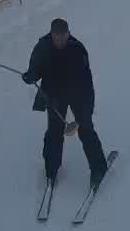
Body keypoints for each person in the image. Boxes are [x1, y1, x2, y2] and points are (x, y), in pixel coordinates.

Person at [22, 18, 109, 186]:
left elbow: (87, 83)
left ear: (68, 33)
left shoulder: (77, 49)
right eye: (57, 38)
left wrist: (87, 109)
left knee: (85, 128)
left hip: (77, 92)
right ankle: (51, 170)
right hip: (54, 94)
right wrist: (30, 76)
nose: (61, 41)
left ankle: (99, 168)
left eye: (64, 37)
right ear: (52, 35)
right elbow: (35, 69)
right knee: (54, 131)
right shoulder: (42, 47)